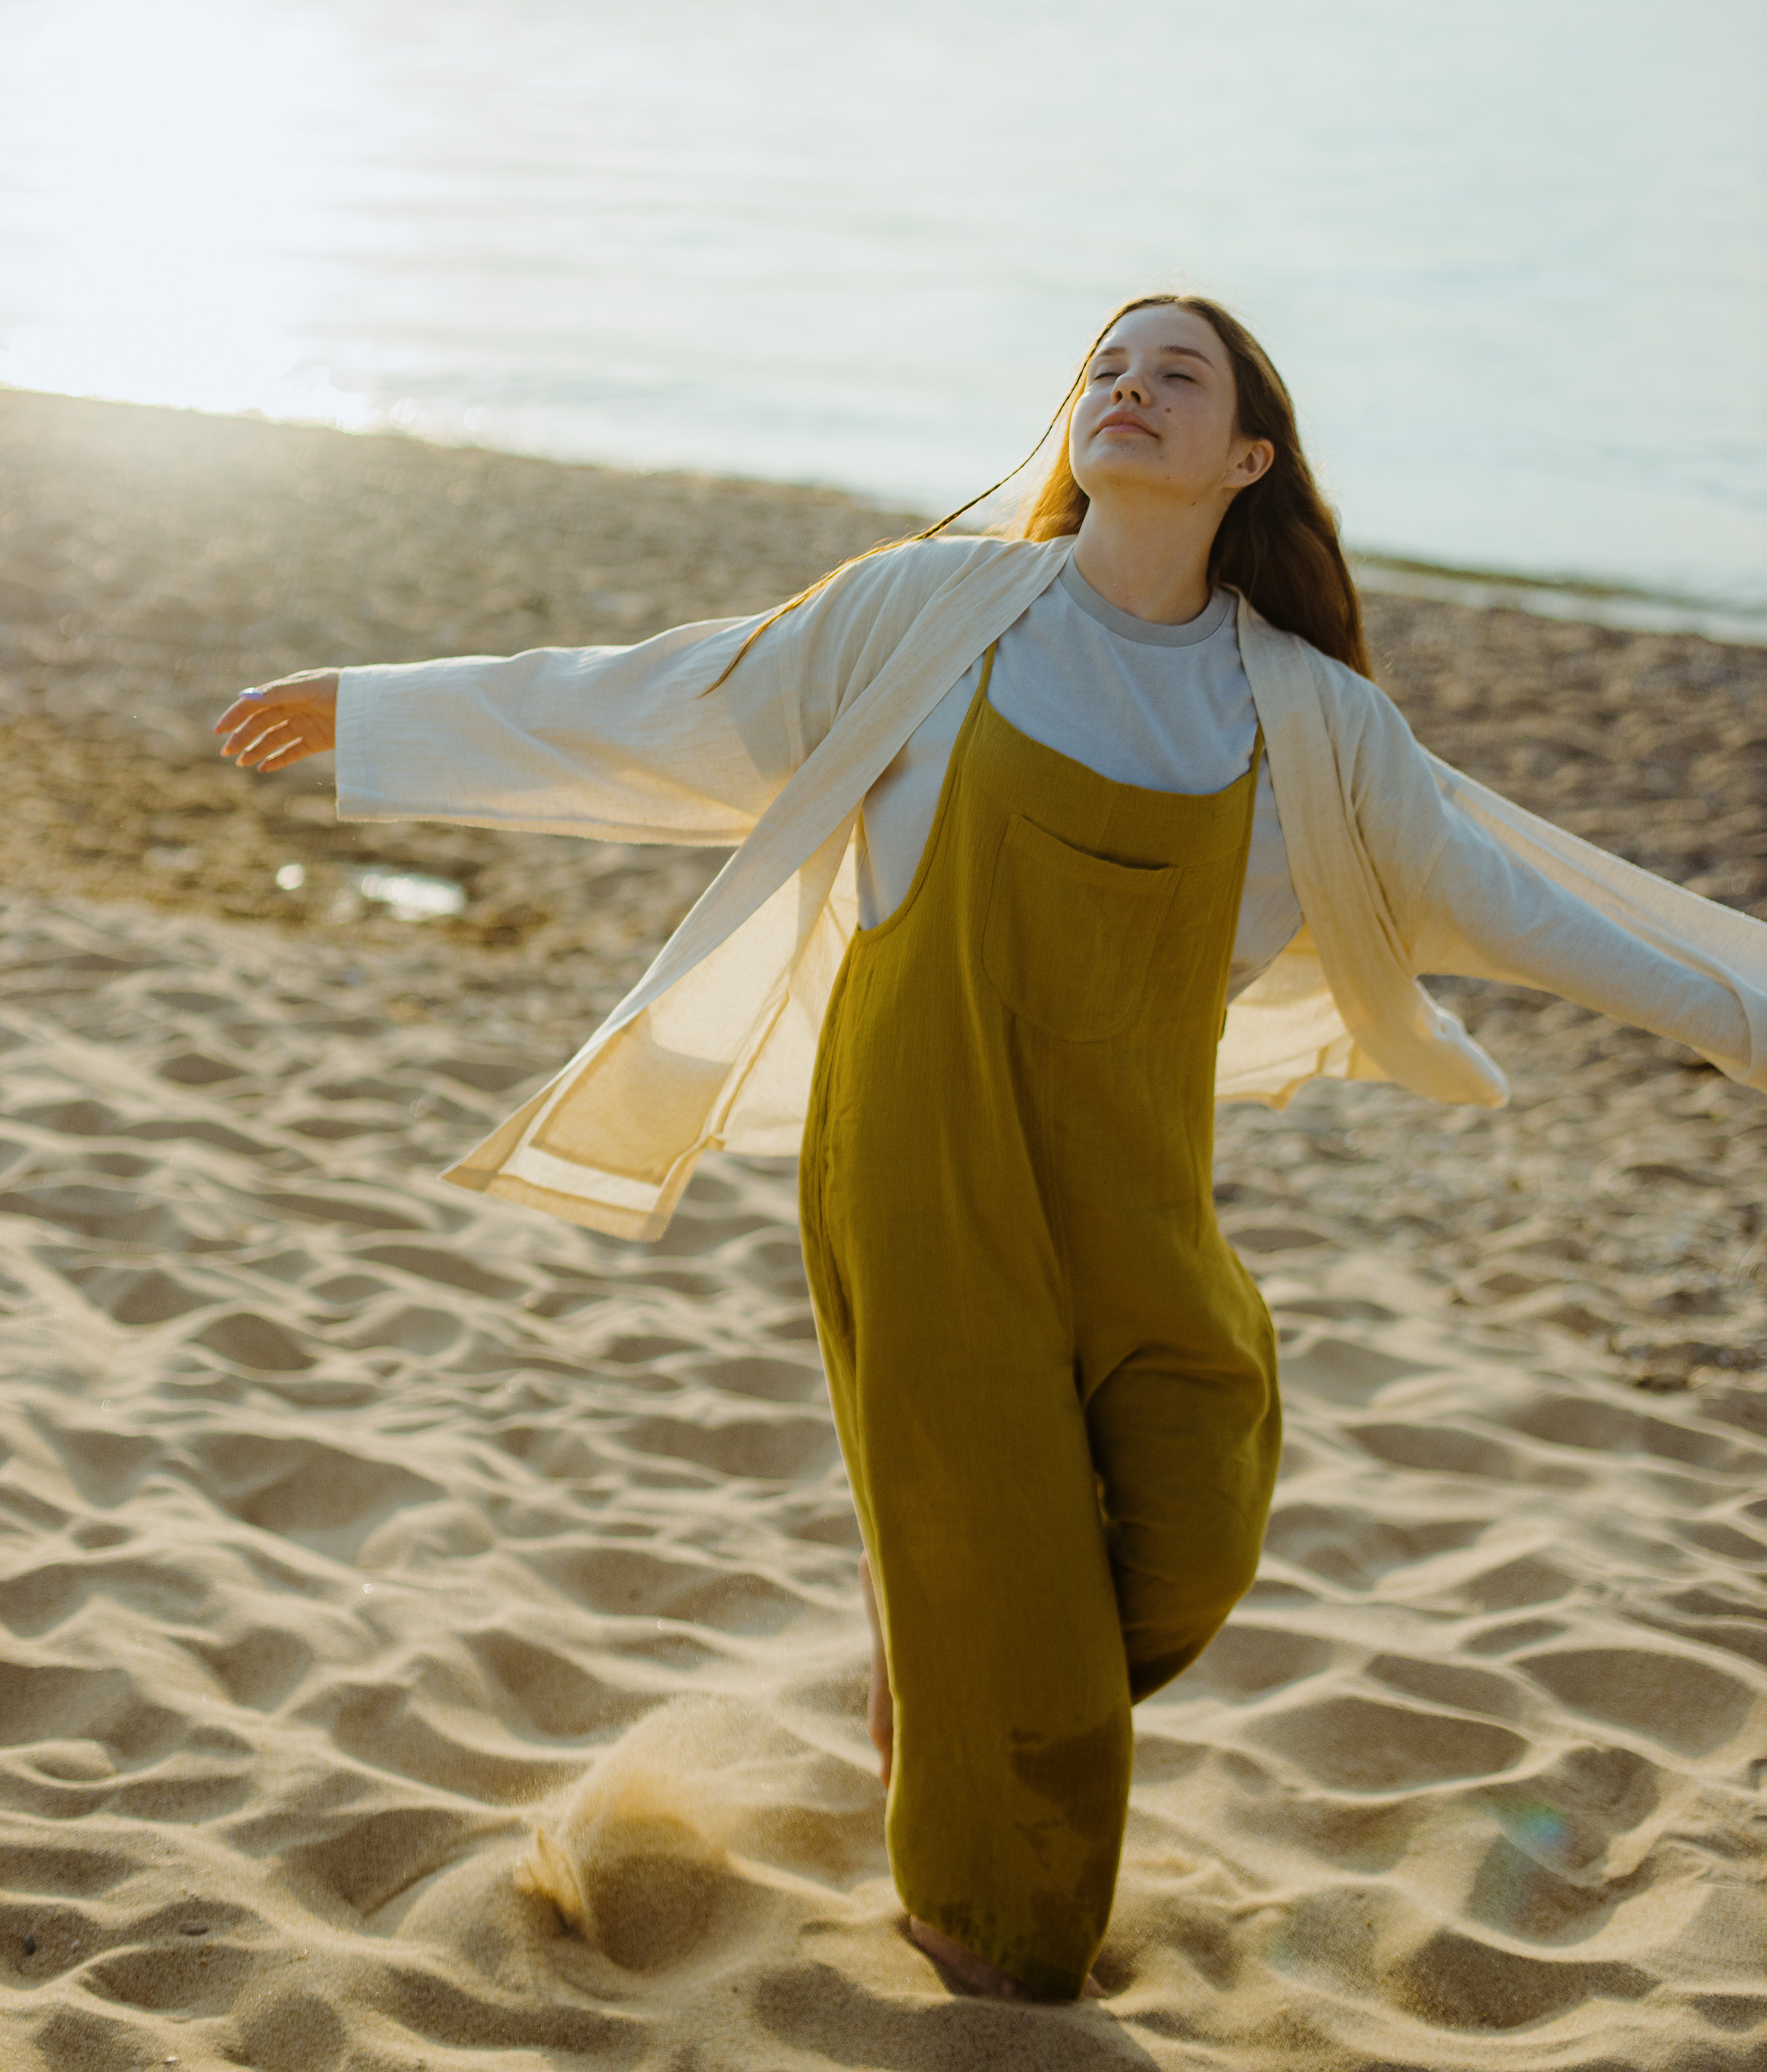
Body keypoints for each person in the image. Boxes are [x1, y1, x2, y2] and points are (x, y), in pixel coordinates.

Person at [217, 295, 1767, 2005]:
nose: (1125, 386)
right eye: (1103, 365)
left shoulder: (1308, 721)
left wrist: (1733, 1014)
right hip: (917, 1163)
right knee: (1024, 1643)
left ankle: (944, 1639)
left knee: (1198, 1506)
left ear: (1245, 457)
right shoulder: (933, 614)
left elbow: (1515, 903)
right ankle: (988, 1960)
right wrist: (378, 709)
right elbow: (662, 690)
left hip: (1133, 1190)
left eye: (1176, 372)